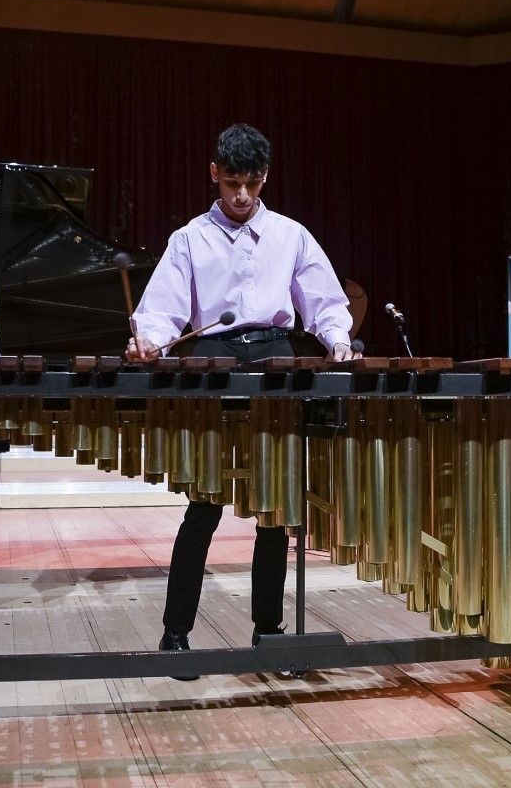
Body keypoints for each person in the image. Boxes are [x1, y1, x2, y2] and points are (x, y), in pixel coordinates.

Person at [127, 123, 357, 677]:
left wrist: (338, 338)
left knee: (274, 509)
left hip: (275, 364)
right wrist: (149, 339)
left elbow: (325, 302)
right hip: (213, 364)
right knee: (204, 504)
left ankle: (269, 634)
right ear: (214, 174)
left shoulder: (291, 235)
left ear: (265, 177)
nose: (242, 195)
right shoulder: (189, 239)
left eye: (252, 184)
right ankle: (175, 635)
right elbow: (161, 310)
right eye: (232, 183)